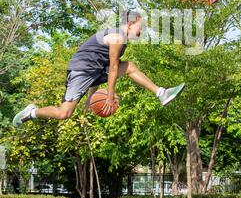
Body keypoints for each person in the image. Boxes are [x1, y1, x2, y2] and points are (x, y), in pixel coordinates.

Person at [13, 10, 185, 126]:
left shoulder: (121, 39)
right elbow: (113, 68)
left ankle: (162, 93)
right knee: (64, 113)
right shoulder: (117, 38)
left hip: (92, 72)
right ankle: (32, 112)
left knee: (130, 66)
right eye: (141, 27)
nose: (141, 32)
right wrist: (109, 96)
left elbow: (102, 67)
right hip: (80, 72)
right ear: (131, 24)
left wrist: (90, 97)